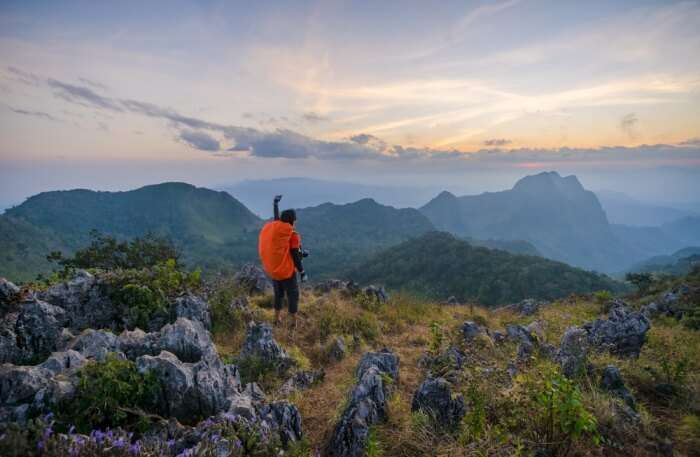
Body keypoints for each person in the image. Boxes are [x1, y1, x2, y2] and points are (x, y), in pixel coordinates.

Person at [258, 195, 306, 329]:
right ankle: (293, 323)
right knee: (293, 296)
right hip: (287, 271)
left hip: (274, 270)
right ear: (292, 221)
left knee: (278, 295)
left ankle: (277, 319)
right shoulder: (292, 235)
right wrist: (302, 272)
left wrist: (275, 204)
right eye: (295, 220)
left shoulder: (277, 229)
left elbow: (276, 219)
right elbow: (295, 256)